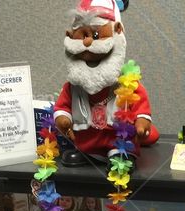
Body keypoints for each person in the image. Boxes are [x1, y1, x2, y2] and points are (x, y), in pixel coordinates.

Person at [52, 0, 159, 163]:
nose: (87, 42)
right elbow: (63, 107)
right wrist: (63, 120)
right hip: (85, 143)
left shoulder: (127, 84)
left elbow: (141, 108)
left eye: (95, 35)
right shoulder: (72, 86)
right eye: (83, 35)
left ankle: (120, 154)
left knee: (121, 157)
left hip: (119, 142)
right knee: (79, 154)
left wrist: (141, 125)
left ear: (117, 31)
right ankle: (87, 153)